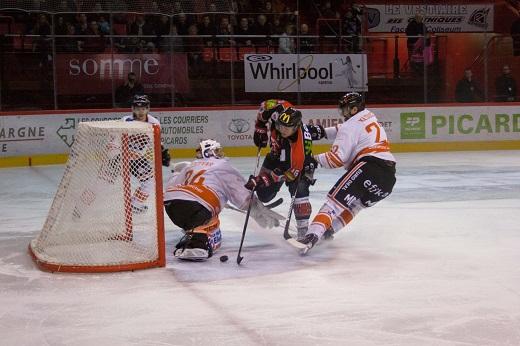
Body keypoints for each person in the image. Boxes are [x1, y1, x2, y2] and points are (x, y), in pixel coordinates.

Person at [298, 92, 396, 254]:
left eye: (344, 109)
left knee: (333, 204)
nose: (342, 113)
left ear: (353, 109)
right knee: (355, 206)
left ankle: (311, 236)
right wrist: (321, 132)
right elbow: (345, 129)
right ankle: (329, 231)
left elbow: (336, 159)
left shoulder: (351, 126)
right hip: (388, 179)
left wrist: (313, 160)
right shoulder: (369, 117)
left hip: (369, 167)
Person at [163, 139, 282, 261]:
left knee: (203, 209)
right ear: (212, 152)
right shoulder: (223, 166)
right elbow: (243, 198)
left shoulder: (192, 165)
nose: (221, 153)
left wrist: (176, 173)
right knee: (212, 218)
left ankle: (192, 232)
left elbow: (169, 188)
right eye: (218, 150)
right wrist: (259, 211)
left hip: (171, 206)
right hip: (197, 205)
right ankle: (199, 242)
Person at [72, 95, 170, 219]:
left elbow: (155, 142)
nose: (141, 112)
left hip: (137, 160)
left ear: (148, 109)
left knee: (150, 182)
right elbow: (112, 142)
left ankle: (135, 204)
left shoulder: (154, 123)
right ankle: (80, 207)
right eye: (137, 108)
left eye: (144, 108)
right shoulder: (125, 121)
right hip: (118, 158)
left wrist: (162, 152)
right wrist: (117, 155)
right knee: (101, 184)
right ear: (132, 109)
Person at [247, 101, 328, 239]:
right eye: (280, 126)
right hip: (275, 156)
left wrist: (263, 179)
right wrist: (260, 127)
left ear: (296, 127)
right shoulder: (278, 109)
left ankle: (303, 231)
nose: (282, 130)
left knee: (299, 190)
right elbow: (263, 106)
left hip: (298, 166)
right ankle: (262, 196)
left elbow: (288, 174)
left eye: (287, 128)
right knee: (264, 195)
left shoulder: (298, 152)